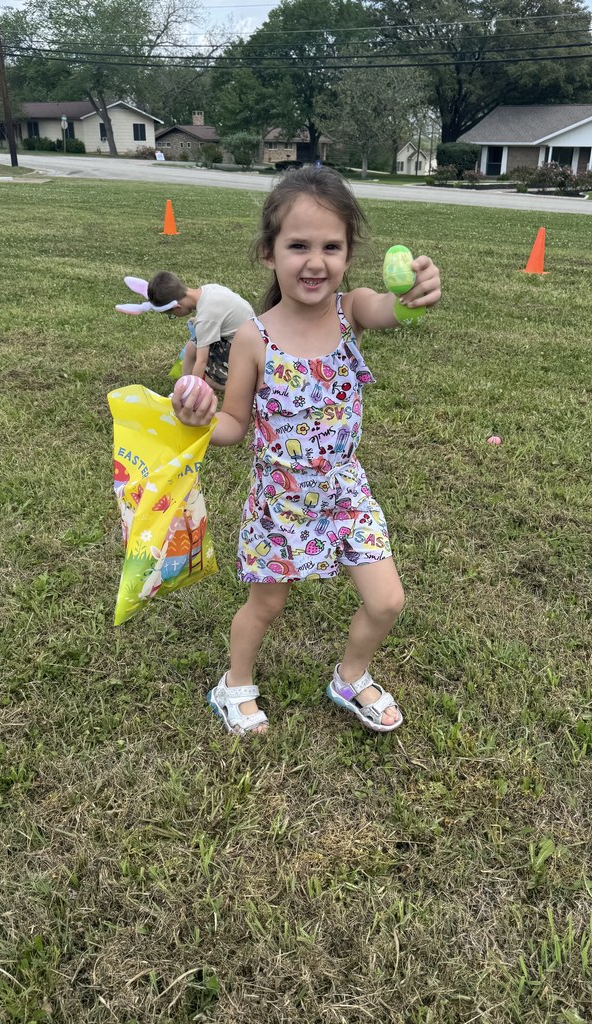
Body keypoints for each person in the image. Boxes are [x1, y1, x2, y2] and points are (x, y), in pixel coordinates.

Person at [172, 166, 442, 736]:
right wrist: (196, 421)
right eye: (298, 245)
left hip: (346, 489)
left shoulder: (352, 312)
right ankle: (234, 684)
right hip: (282, 497)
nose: (315, 261)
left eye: (331, 246)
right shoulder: (254, 336)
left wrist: (415, 295)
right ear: (269, 253)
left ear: (347, 255)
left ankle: (350, 676)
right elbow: (233, 425)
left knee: (387, 601)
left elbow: (393, 311)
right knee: (266, 606)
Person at [147, 272, 254, 391]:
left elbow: (201, 361)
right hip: (254, 335)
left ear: (178, 307)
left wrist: (193, 392)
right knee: (192, 346)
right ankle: (184, 383)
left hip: (246, 351)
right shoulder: (209, 289)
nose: (174, 316)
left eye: (172, 315)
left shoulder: (206, 318)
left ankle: (245, 386)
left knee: (210, 381)